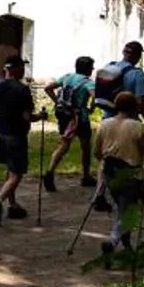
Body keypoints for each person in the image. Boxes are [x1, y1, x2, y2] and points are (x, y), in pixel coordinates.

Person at [94, 101, 144, 253]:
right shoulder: (137, 126)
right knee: (127, 210)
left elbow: (97, 153)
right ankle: (112, 241)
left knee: (123, 207)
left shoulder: (104, 124)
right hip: (132, 176)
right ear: (133, 108)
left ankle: (126, 242)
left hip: (110, 174)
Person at [0, 56, 36, 226]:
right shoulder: (22, 89)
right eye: (21, 67)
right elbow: (27, 117)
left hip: (0, 134)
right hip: (16, 135)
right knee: (17, 174)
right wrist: (40, 116)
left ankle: (13, 205)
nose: (23, 70)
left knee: (10, 170)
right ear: (13, 69)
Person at [40, 55, 100, 193]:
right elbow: (94, 95)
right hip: (81, 119)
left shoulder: (66, 77)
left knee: (64, 145)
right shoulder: (87, 82)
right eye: (91, 67)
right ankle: (86, 175)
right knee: (86, 146)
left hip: (65, 116)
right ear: (88, 69)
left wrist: (57, 102)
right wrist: (91, 107)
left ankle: (50, 171)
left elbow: (48, 88)